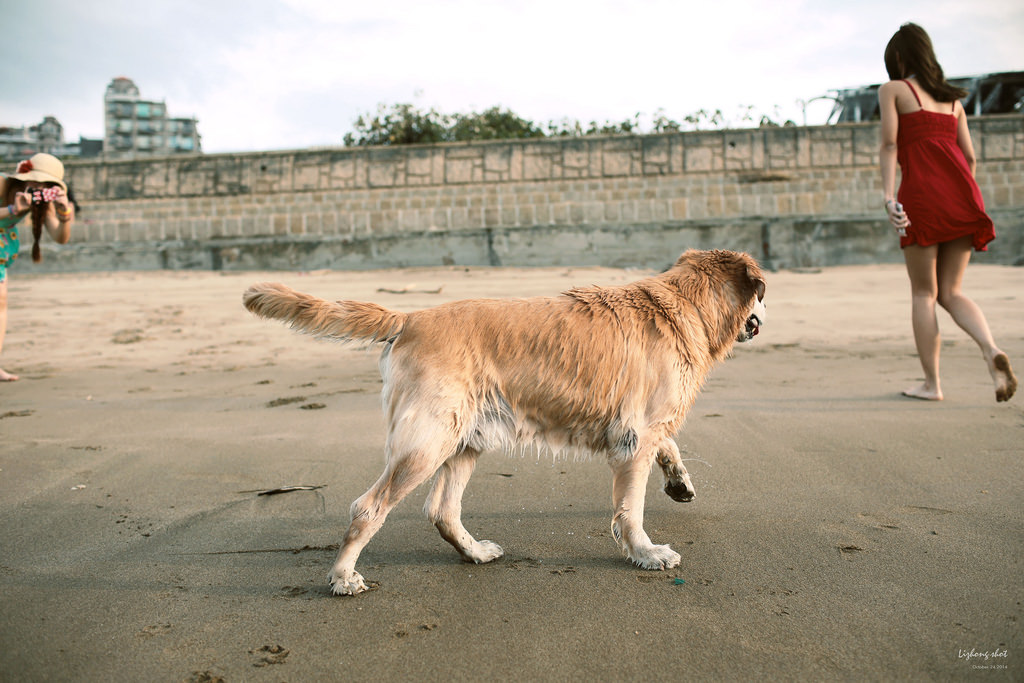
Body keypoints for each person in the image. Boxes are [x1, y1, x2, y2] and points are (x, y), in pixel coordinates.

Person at [878, 22, 1016, 403]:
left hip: (922, 199)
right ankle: (990, 349)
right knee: (952, 292)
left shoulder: (894, 90)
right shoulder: (954, 102)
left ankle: (932, 384)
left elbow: (890, 145)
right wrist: (957, 194)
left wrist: (890, 197)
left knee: (925, 292)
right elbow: (969, 157)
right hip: (963, 199)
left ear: (900, 57)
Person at [0, 152, 76, 381]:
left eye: (45, 184)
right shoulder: (3, 184)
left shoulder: (42, 200)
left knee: (1, 301)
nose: (37, 187)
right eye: (34, 180)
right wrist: (13, 210)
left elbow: (60, 237)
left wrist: (65, 214)